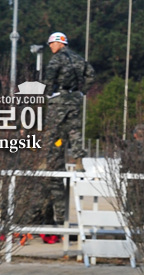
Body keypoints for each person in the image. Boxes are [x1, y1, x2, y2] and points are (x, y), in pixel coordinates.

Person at [42, 31, 94, 226]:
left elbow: (49, 79)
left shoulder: (57, 60)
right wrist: (82, 91)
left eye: (51, 44)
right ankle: (79, 159)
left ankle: (49, 157)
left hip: (60, 98)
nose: (50, 48)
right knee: (74, 130)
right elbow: (91, 75)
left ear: (58, 43)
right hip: (75, 98)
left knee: (53, 131)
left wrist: (48, 95)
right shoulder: (79, 59)